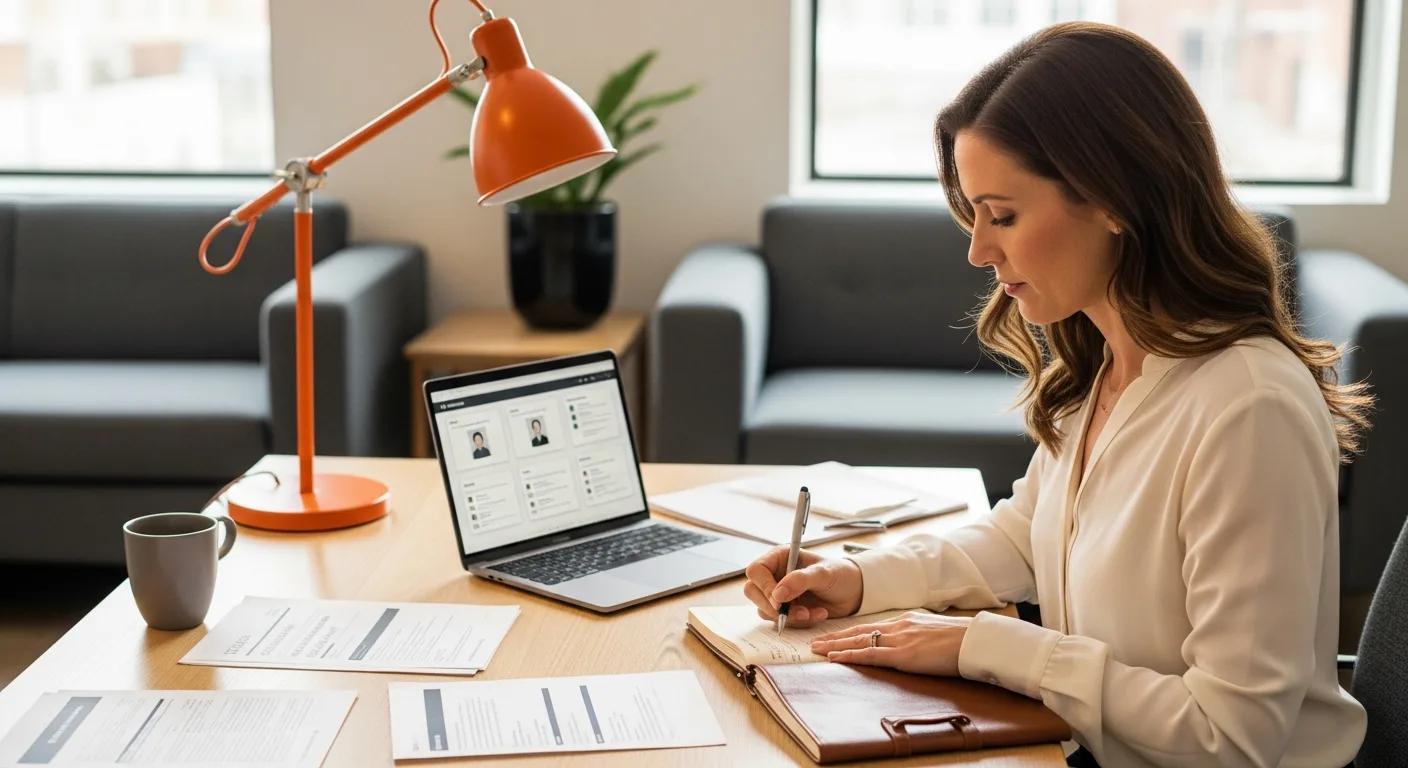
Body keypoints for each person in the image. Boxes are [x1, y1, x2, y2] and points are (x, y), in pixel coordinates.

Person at [742, 22, 1371, 768]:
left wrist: (992, 647)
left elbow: (1230, 737)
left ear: (1112, 198)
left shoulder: (1247, 407)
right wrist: (858, 578)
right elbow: (1026, 538)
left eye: (1002, 214)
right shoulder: (1108, 365)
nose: (978, 250)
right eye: (973, 214)